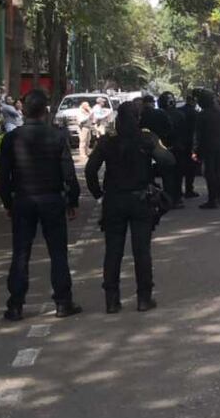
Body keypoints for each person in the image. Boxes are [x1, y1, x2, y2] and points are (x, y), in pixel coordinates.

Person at [0, 89, 82, 321]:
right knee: (58, 252)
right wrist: (72, 200)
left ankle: (16, 305)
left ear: (23, 111)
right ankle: (63, 302)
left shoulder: (11, 139)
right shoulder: (57, 136)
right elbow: (68, 172)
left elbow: (3, 177)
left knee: (21, 253)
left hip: (23, 200)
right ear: (45, 111)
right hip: (52, 199)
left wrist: (7, 202)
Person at [85, 101, 175, 313]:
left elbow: (90, 170)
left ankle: (112, 300)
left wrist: (99, 195)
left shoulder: (107, 141)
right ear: (138, 119)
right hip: (140, 200)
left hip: (113, 200)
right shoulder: (147, 139)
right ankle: (144, 298)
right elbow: (168, 161)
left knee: (113, 251)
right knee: (141, 250)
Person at [193, 90, 220, 209]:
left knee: (210, 173)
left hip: (208, 148)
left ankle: (213, 199)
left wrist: (196, 150)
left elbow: (199, 135)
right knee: (217, 172)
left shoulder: (203, 115)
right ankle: (216, 197)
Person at [159, 92, 188, 209]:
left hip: (167, 148)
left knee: (168, 175)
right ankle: (177, 197)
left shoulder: (161, 115)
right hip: (178, 148)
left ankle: (170, 198)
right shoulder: (180, 114)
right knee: (178, 174)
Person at [178, 93, 200, 199]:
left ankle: (178, 190)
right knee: (190, 169)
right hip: (190, 144)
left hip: (179, 143)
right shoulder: (195, 113)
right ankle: (189, 190)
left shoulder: (179, 111)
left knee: (179, 169)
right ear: (193, 101)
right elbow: (197, 131)